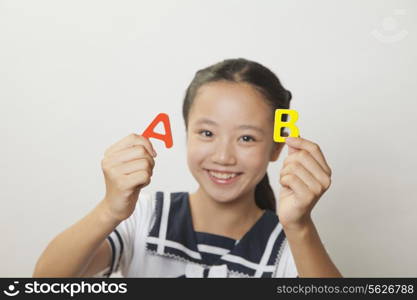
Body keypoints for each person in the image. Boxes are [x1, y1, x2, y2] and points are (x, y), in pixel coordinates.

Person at [33, 58, 342, 278]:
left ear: (276, 146)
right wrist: (109, 209)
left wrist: (299, 227)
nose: (223, 156)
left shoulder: (290, 247)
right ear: (185, 132)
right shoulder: (143, 216)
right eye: (207, 133)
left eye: (246, 138)